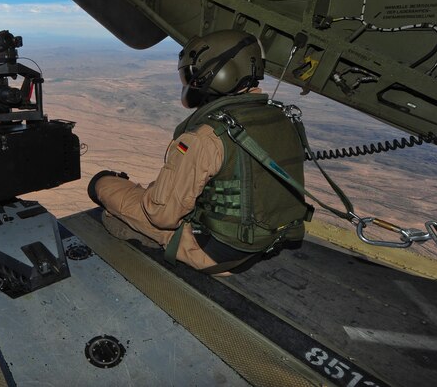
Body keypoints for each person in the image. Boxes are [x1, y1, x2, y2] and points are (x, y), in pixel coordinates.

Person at [87, 30, 311, 274]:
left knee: (103, 184)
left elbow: (161, 216)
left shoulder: (207, 136)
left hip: (218, 254)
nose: (190, 82)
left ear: (219, 74)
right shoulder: (283, 117)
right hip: (272, 239)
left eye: (193, 74)